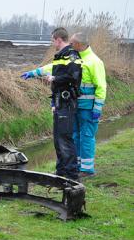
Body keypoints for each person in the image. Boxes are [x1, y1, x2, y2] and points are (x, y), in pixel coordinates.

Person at [20, 27, 82, 180]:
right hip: (59, 102)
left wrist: (54, 79)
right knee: (57, 138)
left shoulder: (72, 54)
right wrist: (53, 101)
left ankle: (72, 175)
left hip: (67, 103)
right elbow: (56, 72)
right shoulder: (60, 55)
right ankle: (61, 173)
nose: (52, 43)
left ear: (58, 39)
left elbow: (74, 76)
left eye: (52, 40)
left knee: (65, 138)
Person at [70, 32, 106, 178]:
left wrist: (97, 108)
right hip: (76, 107)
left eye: (72, 44)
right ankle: (79, 166)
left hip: (89, 108)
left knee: (86, 136)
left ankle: (87, 170)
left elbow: (101, 87)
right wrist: (36, 72)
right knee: (76, 136)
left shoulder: (94, 62)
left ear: (79, 44)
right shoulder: (76, 59)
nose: (70, 46)